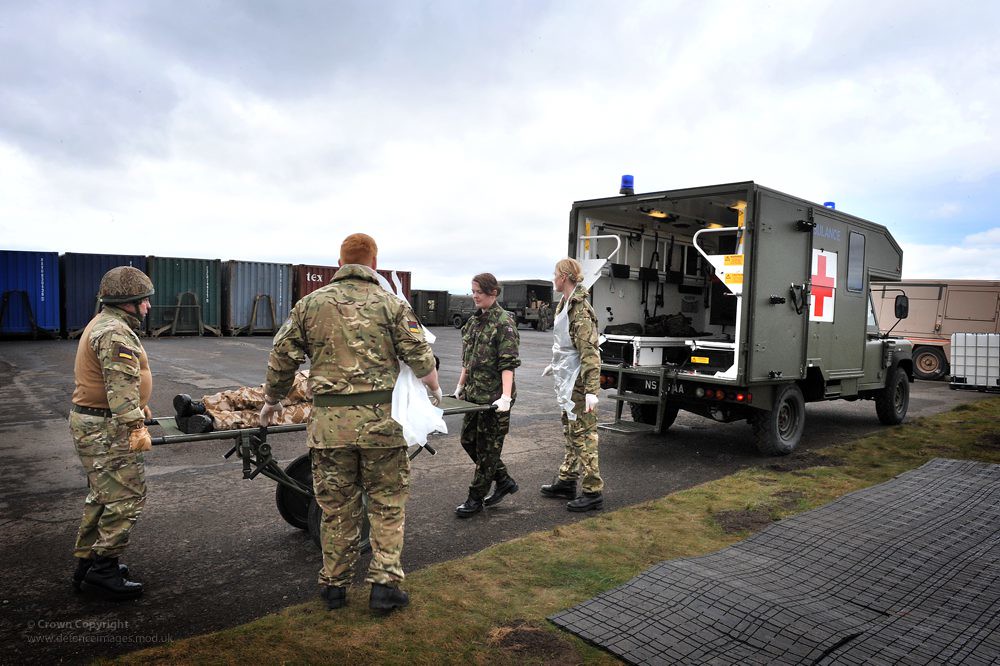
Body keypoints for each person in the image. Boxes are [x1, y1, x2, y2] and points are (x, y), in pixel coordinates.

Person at [260, 233, 441, 614]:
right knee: (386, 504)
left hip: (330, 427)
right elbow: (421, 356)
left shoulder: (310, 304)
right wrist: (434, 389)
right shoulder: (391, 304)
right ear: (374, 263)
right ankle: (384, 586)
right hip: (382, 426)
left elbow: (282, 355)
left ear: (340, 262)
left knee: (336, 507)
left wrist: (272, 400)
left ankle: (334, 586)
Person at [69, 266, 155, 600]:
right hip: (107, 429)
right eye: (143, 301)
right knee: (126, 497)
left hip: (97, 422)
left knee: (103, 497)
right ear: (128, 303)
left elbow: (115, 386)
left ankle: (88, 565)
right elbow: (120, 392)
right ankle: (103, 573)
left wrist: (141, 404)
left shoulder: (104, 324)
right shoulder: (115, 333)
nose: (147, 307)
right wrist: (136, 424)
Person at [452, 273, 521, 518]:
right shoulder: (473, 323)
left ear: (493, 292)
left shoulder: (504, 323)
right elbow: (467, 361)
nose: (474, 296)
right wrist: (460, 386)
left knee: (488, 451)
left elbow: (508, 365)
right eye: (472, 291)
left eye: (478, 291)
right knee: (468, 441)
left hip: (494, 401)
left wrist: (505, 397)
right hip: (474, 396)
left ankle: (475, 498)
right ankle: (503, 480)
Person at [541, 258, 604, 511]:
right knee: (570, 430)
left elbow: (590, 352)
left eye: (555, 274)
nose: (553, 279)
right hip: (568, 377)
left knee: (584, 434)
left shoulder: (580, 309)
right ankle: (567, 479)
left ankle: (593, 491)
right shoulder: (565, 304)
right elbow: (564, 344)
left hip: (578, 381)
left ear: (565, 277)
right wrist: (554, 363)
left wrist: (591, 391)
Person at [173, 370, 311, 433]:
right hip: (321, 379)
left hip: (329, 407)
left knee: (278, 418)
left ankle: (210, 420)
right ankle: (200, 407)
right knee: (260, 395)